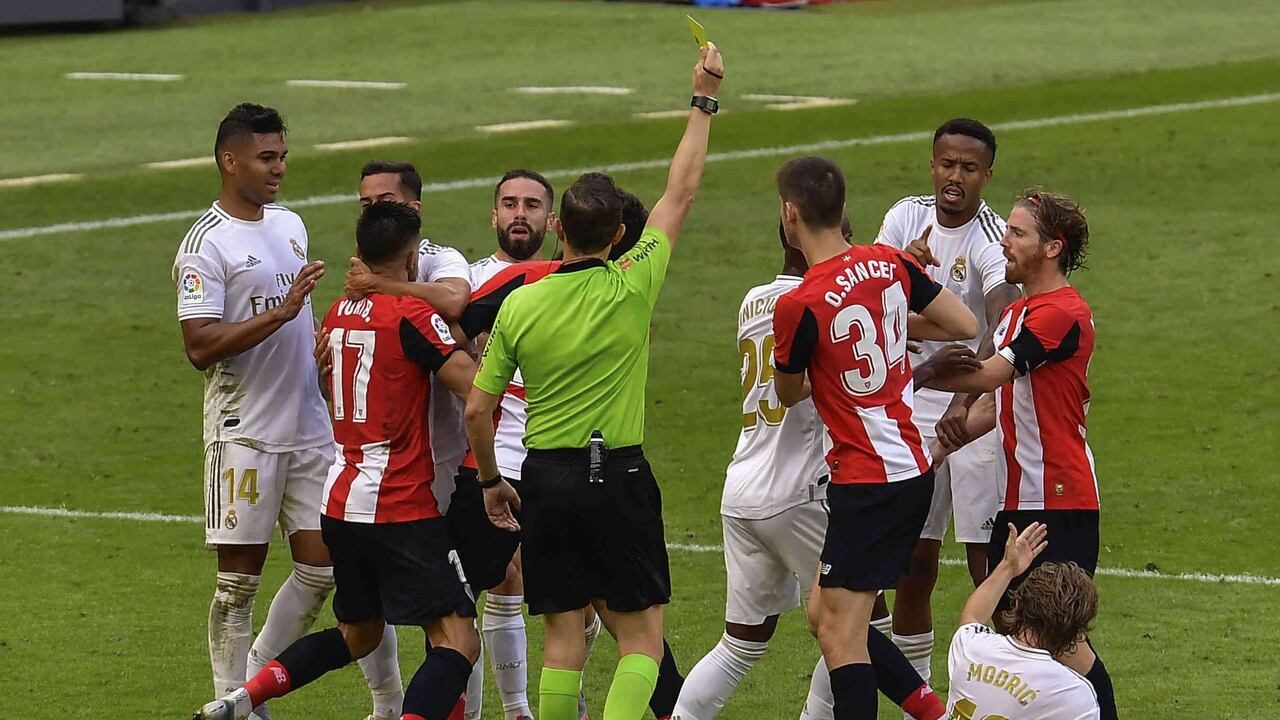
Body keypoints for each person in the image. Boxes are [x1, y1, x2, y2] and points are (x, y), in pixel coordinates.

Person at [466, 42, 725, 720]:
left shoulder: (521, 301)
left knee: (561, 642)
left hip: (543, 479)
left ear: (556, 228)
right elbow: (682, 191)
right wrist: (702, 99)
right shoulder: (633, 284)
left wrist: (494, 485)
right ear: (616, 235)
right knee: (641, 639)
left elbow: (476, 409)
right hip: (618, 475)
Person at [193, 201, 481, 720]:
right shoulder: (412, 315)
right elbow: (472, 389)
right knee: (458, 640)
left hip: (341, 502)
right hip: (398, 504)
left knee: (359, 632)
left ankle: (246, 695)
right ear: (412, 256)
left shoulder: (338, 312)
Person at [173, 103, 397, 720]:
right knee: (237, 584)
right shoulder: (205, 245)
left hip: (311, 428)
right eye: (266, 158)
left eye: (282, 156)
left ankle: (246, 693)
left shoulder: (290, 225)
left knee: (328, 569)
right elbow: (200, 347)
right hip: (244, 433)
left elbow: (298, 316)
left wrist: (315, 340)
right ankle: (233, 703)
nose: (279, 169)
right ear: (230, 160)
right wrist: (282, 311)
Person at [671, 220, 945, 720]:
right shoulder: (820, 302)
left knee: (741, 646)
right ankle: (934, 714)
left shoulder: (754, 300)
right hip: (806, 489)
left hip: (745, 486)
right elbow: (884, 337)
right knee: (852, 630)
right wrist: (892, 278)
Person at [769, 155, 979, 720]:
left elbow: (789, 394)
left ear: (791, 214)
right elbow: (964, 325)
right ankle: (933, 714)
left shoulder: (798, 303)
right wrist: (890, 321)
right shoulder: (888, 263)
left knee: (840, 637)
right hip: (909, 464)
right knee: (826, 617)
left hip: (866, 479)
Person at [914, 189, 1117, 720]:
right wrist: (933, 451)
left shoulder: (1061, 313)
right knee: (1021, 631)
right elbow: (994, 407)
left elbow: (989, 376)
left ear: (1052, 247)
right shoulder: (1018, 313)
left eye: (1019, 233)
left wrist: (915, 372)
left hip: (1060, 502)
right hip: (1020, 499)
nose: (1005, 239)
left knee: (1060, 641)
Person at [873, 118, 1022, 690]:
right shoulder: (904, 217)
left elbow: (1003, 317)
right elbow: (871, 298)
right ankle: (919, 689)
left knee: (987, 561)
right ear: (932, 164)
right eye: (946, 164)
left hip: (972, 410)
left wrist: (966, 398)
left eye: (968, 168)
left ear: (987, 174)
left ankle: (998, 685)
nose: (954, 177)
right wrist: (903, 276)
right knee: (916, 562)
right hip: (909, 406)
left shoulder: (989, 237)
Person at [946, 522, 1101, 719]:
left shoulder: (971, 648)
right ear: (1076, 633)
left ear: (1018, 603)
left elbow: (972, 617)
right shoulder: (1073, 695)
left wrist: (1008, 567)